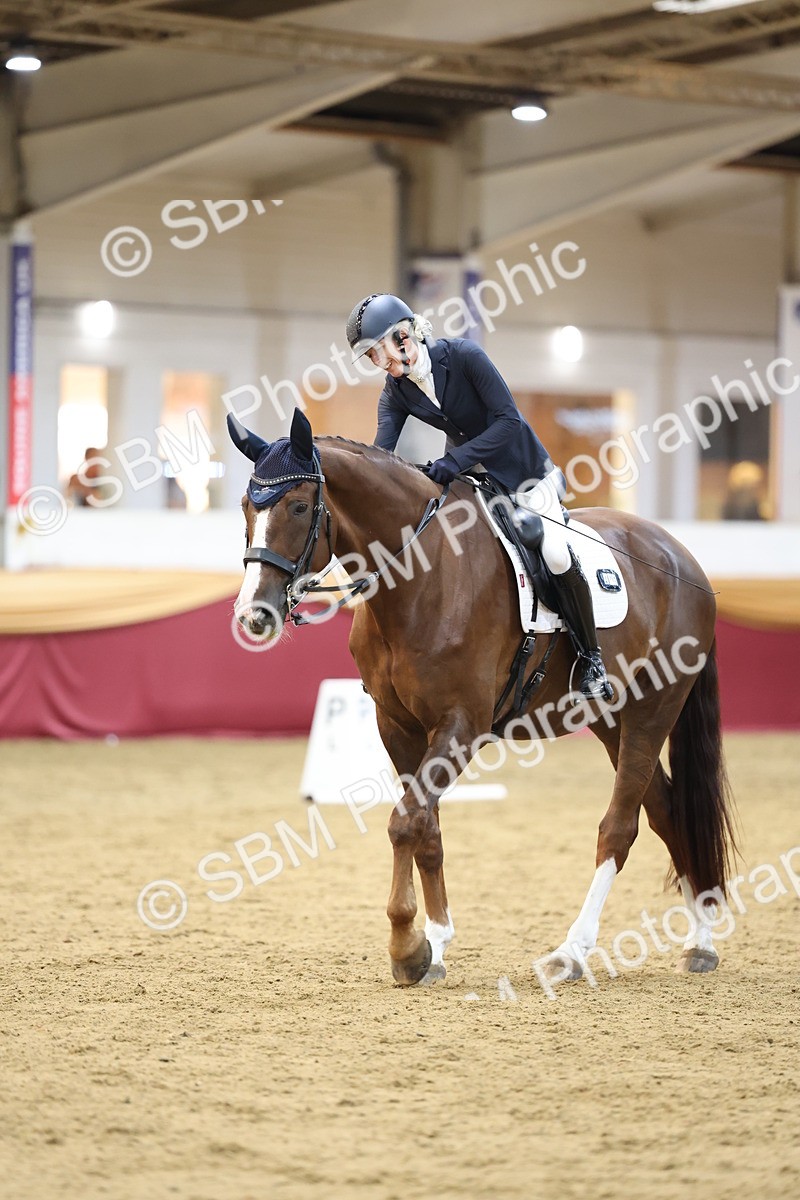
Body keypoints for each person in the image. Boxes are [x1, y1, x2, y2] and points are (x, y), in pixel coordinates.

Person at [345, 292, 612, 700]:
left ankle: (591, 659)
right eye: (370, 359)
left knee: (555, 552)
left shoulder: (465, 356)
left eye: (376, 354)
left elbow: (508, 420)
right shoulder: (397, 392)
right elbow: (381, 455)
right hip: (476, 485)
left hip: (525, 476)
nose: (377, 365)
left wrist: (454, 461)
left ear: (402, 337)